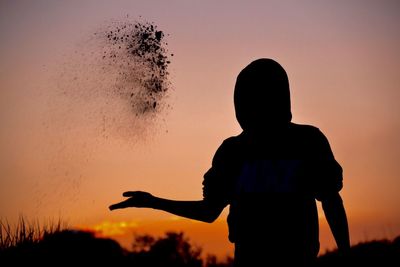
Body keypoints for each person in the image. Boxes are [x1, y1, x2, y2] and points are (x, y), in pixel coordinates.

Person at [109, 58, 350, 266]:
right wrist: (153, 202)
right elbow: (210, 210)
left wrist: (346, 255)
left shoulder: (305, 141)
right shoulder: (235, 151)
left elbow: (331, 200)